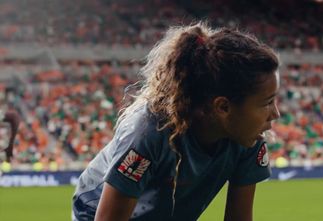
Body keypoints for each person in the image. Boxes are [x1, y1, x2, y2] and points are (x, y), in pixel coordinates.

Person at [72, 22, 280, 221]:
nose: (276, 114)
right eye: (267, 103)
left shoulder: (248, 138)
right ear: (223, 107)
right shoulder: (149, 133)